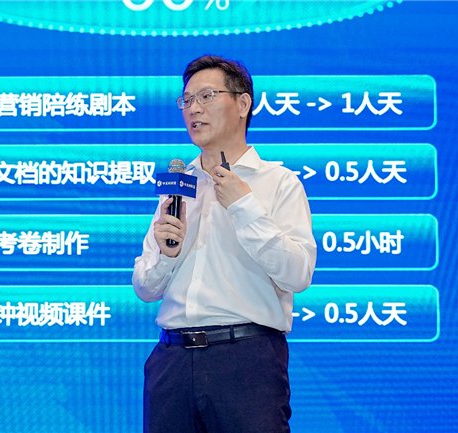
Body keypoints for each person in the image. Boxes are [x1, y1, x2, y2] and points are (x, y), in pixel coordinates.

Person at [132, 55, 317, 433]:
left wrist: (243, 206)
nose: (193, 109)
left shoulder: (278, 182)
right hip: (172, 361)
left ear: (243, 103)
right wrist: (167, 255)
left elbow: (298, 274)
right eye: (186, 100)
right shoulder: (179, 186)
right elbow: (145, 288)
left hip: (245, 361)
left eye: (206, 96)